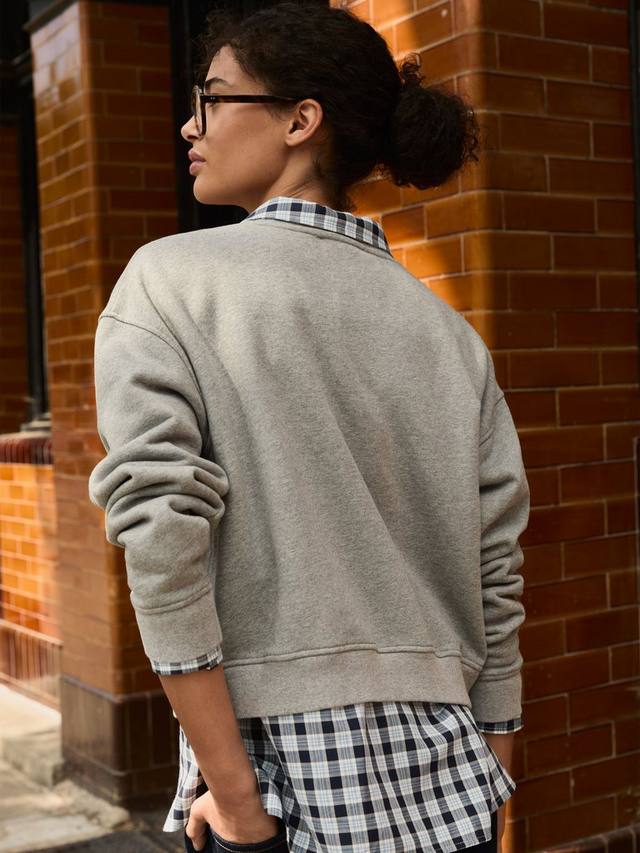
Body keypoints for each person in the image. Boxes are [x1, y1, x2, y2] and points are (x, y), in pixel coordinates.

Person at [87, 3, 530, 852]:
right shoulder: (448, 336)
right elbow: (496, 577)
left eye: (214, 97)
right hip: (454, 780)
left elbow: (160, 534)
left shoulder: (169, 280)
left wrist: (234, 798)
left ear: (301, 121)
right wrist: (492, 780)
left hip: (277, 778)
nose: (190, 124)